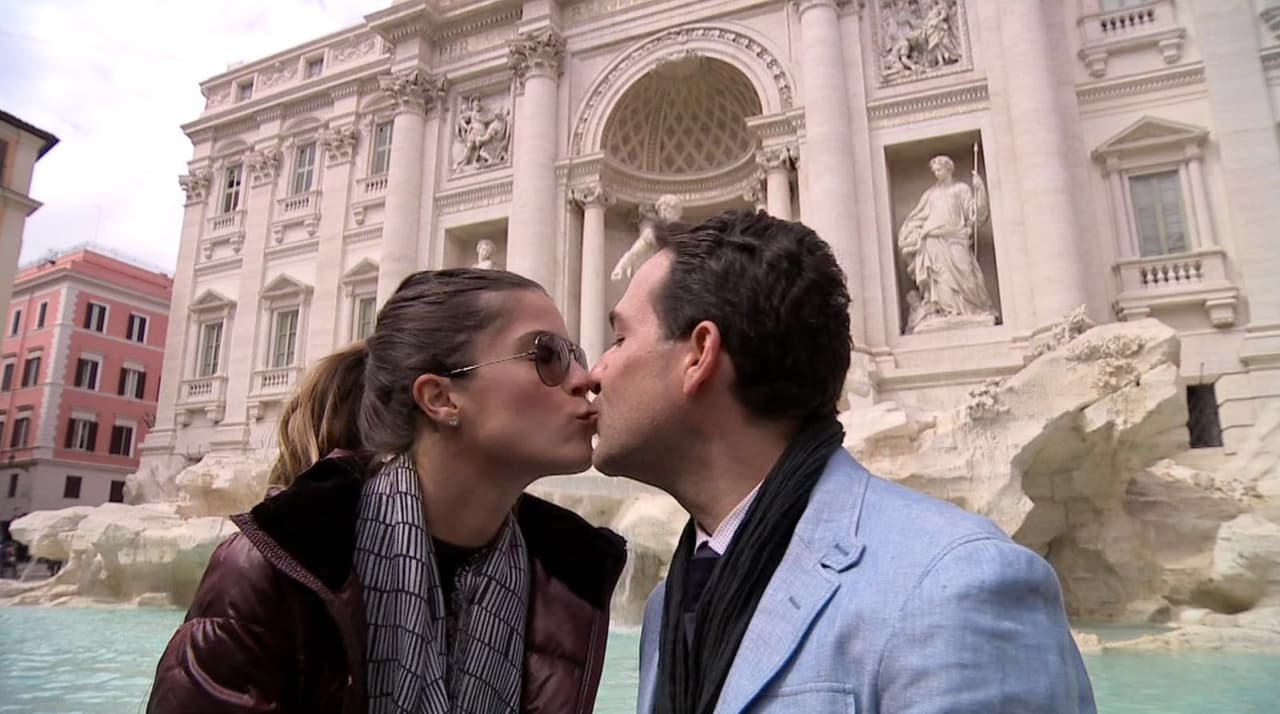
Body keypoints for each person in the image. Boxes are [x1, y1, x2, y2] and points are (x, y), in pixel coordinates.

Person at [588, 210, 1095, 713]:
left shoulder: (958, 583)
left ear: (699, 354)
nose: (594, 372)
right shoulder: (665, 611)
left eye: (619, 339)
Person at [148, 268, 627, 714]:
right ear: (440, 398)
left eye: (575, 357)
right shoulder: (273, 568)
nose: (585, 380)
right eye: (547, 356)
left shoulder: (570, 579)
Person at [897, 154, 995, 331]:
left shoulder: (961, 189)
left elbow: (975, 215)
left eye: (939, 169)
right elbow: (917, 217)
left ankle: (973, 309)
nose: (936, 173)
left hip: (956, 237)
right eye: (934, 170)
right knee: (940, 278)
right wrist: (911, 233)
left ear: (949, 168)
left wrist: (980, 190)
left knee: (966, 271)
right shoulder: (930, 194)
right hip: (933, 239)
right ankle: (947, 311)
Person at [612, 194, 683, 283]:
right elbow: (634, 252)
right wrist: (621, 266)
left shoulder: (687, 233)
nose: (664, 212)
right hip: (663, 274)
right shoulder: (654, 232)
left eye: (673, 209)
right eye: (663, 210)